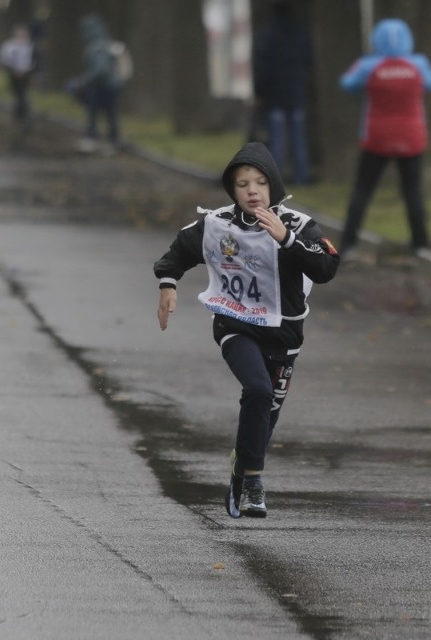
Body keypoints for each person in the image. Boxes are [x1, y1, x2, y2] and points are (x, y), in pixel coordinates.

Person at [154, 142, 339, 518]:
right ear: (232, 190)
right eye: (242, 184)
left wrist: (286, 241)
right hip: (235, 322)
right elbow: (178, 252)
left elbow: (326, 268)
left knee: (264, 417)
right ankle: (254, 483)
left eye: (259, 182)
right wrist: (167, 284)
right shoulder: (216, 223)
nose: (252, 191)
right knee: (257, 389)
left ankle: (242, 469)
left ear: (274, 186)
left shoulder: (298, 225)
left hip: (284, 333)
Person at [338, 18, 431, 258]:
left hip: (376, 137)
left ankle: (349, 244)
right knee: (413, 191)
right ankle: (421, 244)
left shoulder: (367, 66)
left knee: (362, 190)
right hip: (411, 137)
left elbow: (347, 83)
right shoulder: (419, 64)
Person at [251, 0, 314, 184]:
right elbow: (308, 61)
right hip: (296, 93)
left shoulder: (266, 35)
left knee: (277, 139)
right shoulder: (301, 34)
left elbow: (261, 66)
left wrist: (259, 92)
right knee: (298, 138)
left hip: (274, 95)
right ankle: (301, 176)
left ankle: (275, 178)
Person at [65, 14, 123, 147]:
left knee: (102, 112)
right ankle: (109, 138)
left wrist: (84, 81)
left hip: (103, 86)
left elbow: (101, 70)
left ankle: (103, 139)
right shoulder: (104, 44)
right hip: (107, 85)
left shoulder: (98, 47)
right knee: (106, 113)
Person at [0, 25, 35, 124]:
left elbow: (32, 60)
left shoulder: (29, 46)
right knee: (19, 93)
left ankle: (22, 114)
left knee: (22, 93)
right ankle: (22, 114)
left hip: (26, 73)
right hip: (13, 73)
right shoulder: (10, 46)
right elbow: (5, 60)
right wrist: (13, 70)